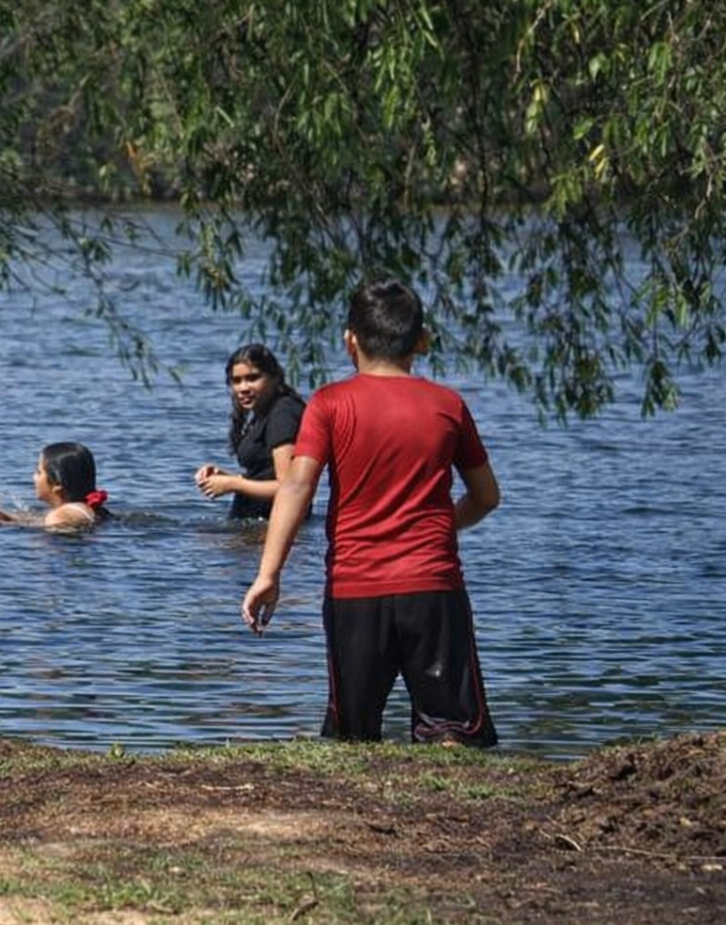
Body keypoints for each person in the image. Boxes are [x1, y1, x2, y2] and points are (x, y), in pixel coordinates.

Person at [241, 280, 501, 747]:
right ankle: (448, 774)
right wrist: (438, 526)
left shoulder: (329, 403)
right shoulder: (448, 405)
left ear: (350, 341)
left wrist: (268, 574)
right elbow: (485, 496)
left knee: (354, 735)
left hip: (354, 590)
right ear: (422, 341)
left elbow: (296, 486)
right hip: (432, 586)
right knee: (452, 729)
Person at [194, 343, 306, 520]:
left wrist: (234, 484)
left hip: (270, 527)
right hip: (255, 524)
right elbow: (267, 475)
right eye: (236, 381)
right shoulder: (265, 412)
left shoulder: (283, 413)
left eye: (252, 378)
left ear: (275, 378)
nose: (243, 388)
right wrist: (227, 478)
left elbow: (289, 487)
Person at [0, 441, 110, 530]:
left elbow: (46, 529)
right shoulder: (82, 509)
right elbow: (34, 523)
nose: (34, 477)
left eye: (38, 472)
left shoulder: (61, 515)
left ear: (57, 485)